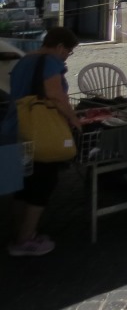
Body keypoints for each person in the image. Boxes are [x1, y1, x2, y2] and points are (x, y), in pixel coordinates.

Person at [5, 27, 81, 257]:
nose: (67, 56)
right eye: (68, 52)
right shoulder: (50, 62)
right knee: (42, 184)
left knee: (21, 184)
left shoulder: (23, 61)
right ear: (59, 47)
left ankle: (20, 232)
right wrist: (74, 119)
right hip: (40, 132)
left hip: (14, 127)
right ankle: (26, 239)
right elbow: (56, 96)